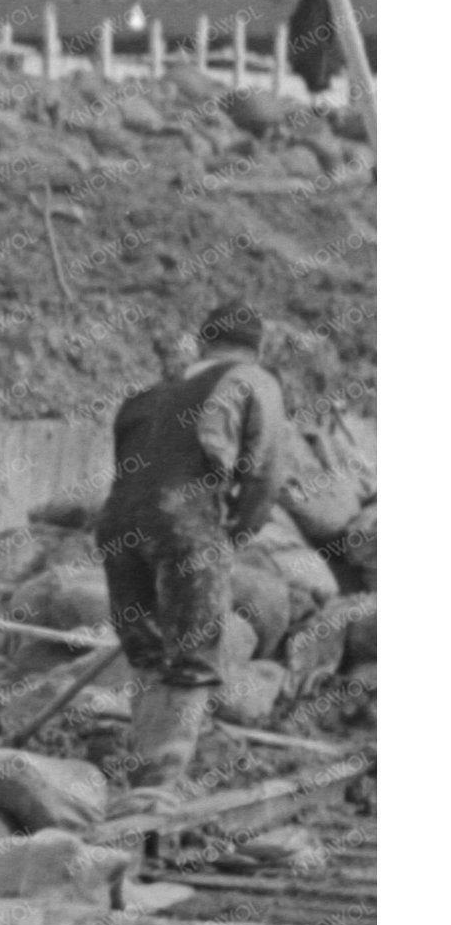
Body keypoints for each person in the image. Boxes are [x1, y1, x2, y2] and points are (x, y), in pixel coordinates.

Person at [94, 297, 292, 788]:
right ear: (258, 348)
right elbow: (265, 473)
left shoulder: (143, 398)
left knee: (145, 652)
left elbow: (133, 476)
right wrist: (234, 534)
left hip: (118, 526)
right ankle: (160, 791)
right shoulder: (253, 381)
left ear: (201, 343)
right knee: (192, 656)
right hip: (186, 525)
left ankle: (143, 774)